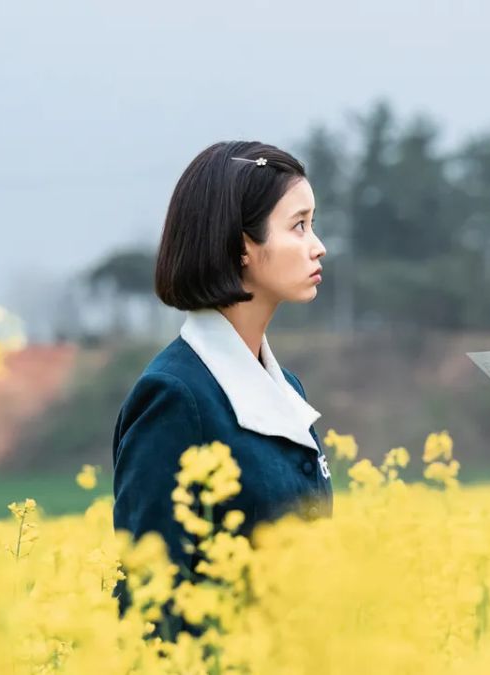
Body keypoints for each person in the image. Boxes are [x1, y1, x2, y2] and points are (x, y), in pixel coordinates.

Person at [112, 141, 332, 610]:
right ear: (242, 247)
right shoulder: (175, 397)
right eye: (299, 226)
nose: (318, 246)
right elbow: (151, 601)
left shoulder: (287, 390)